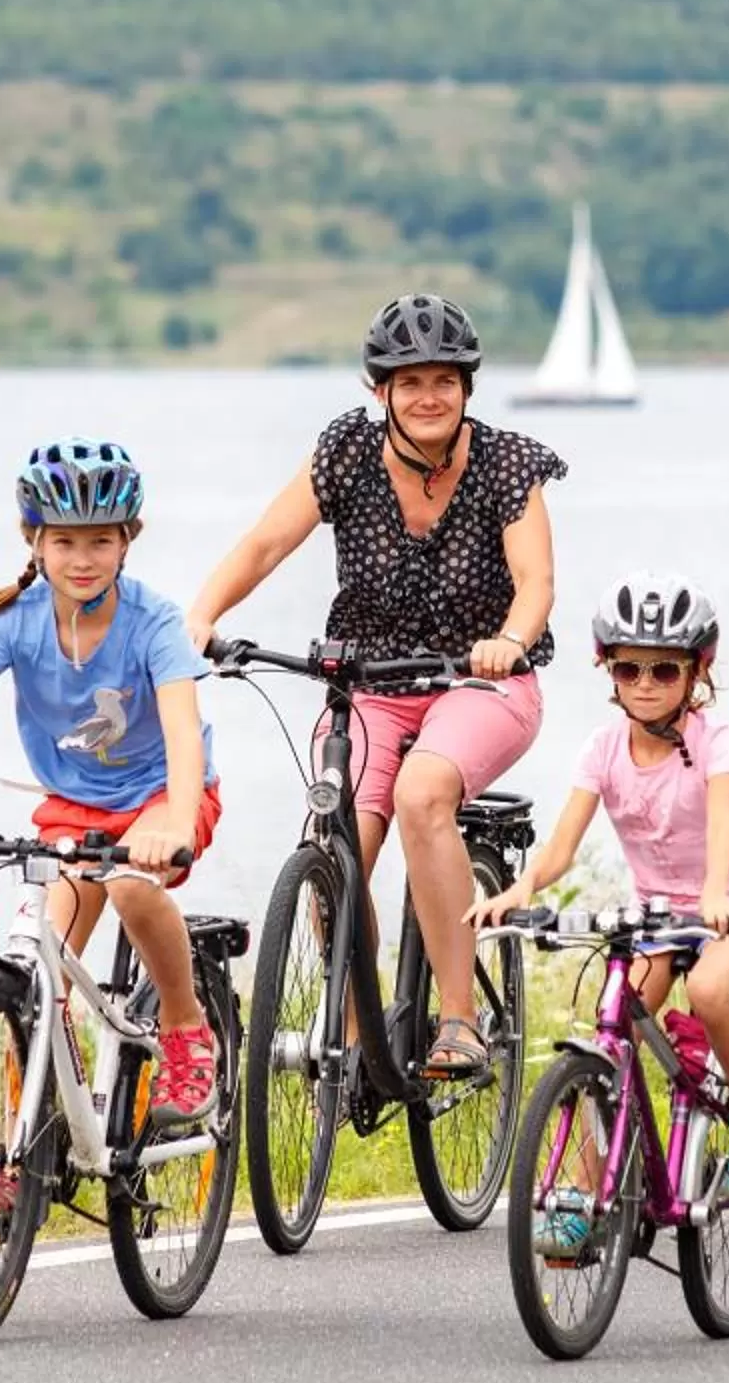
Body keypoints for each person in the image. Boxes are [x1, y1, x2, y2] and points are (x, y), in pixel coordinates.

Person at [187, 295, 565, 1079]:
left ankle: (459, 1020)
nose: (428, 396)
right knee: (334, 845)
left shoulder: (508, 465)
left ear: (467, 387)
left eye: (443, 381)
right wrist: (201, 616)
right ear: (379, 390)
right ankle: (360, 1037)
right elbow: (264, 543)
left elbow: (536, 583)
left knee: (424, 794)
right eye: (409, 381)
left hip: (482, 683)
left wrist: (508, 642)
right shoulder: (346, 455)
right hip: (372, 682)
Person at [0, 440, 223, 1232]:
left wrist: (169, 822)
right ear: (33, 541)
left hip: (162, 797)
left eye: (101, 539)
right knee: (36, 967)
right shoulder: (16, 622)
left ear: (128, 539)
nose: (83, 556)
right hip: (72, 804)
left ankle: (183, 1026)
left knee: (133, 885)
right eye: (64, 540)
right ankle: (17, 1156)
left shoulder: (154, 622)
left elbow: (183, 730)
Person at [475, 575, 729, 1247]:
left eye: (664, 669)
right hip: (656, 919)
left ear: (695, 670)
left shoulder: (714, 741)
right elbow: (561, 846)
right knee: (611, 1029)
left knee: (707, 989)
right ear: (608, 670)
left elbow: (724, 819)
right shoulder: (604, 748)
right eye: (629, 668)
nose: (645, 683)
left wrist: (713, 895)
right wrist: (521, 890)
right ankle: (587, 1191)